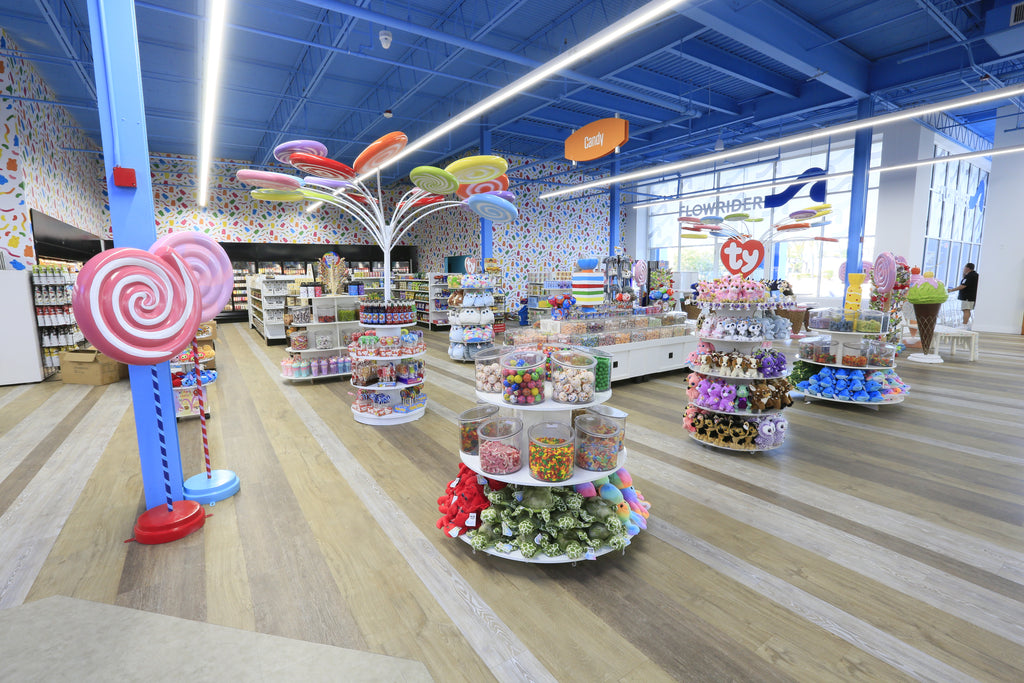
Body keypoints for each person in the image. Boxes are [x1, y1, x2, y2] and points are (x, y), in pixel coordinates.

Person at [947, 263, 979, 328]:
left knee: (966, 310)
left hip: (968, 296)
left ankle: (964, 324)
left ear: (968, 268)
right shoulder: (975, 275)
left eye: (964, 268)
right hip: (972, 296)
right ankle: (966, 323)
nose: (963, 269)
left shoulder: (969, 276)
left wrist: (952, 290)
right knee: (967, 309)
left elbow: (963, 286)